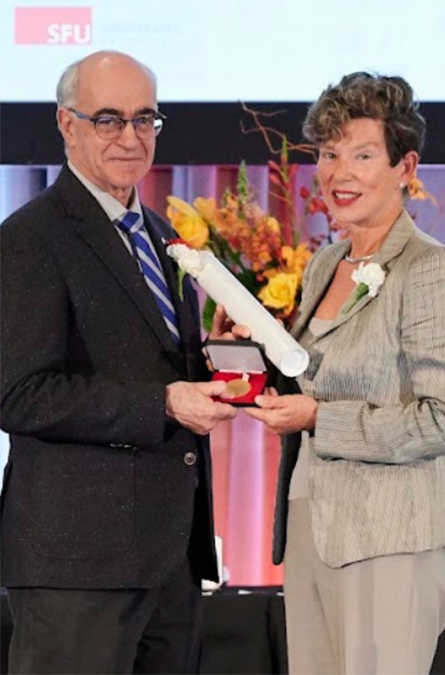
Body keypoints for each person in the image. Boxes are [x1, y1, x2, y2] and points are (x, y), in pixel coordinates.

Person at [0, 51, 237, 674]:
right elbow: (18, 393)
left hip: (170, 562)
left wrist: (215, 360)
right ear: (67, 124)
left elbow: (149, 365)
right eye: (108, 119)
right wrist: (162, 402)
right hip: (78, 567)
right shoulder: (29, 238)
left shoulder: (160, 233)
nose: (131, 137)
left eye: (145, 119)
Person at [218, 72, 445, 674]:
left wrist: (321, 418)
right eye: (328, 154)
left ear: (405, 166)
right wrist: (248, 352)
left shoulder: (428, 269)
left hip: (387, 536)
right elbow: (309, 382)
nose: (339, 173)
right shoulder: (326, 260)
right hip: (310, 524)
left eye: (362, 154)